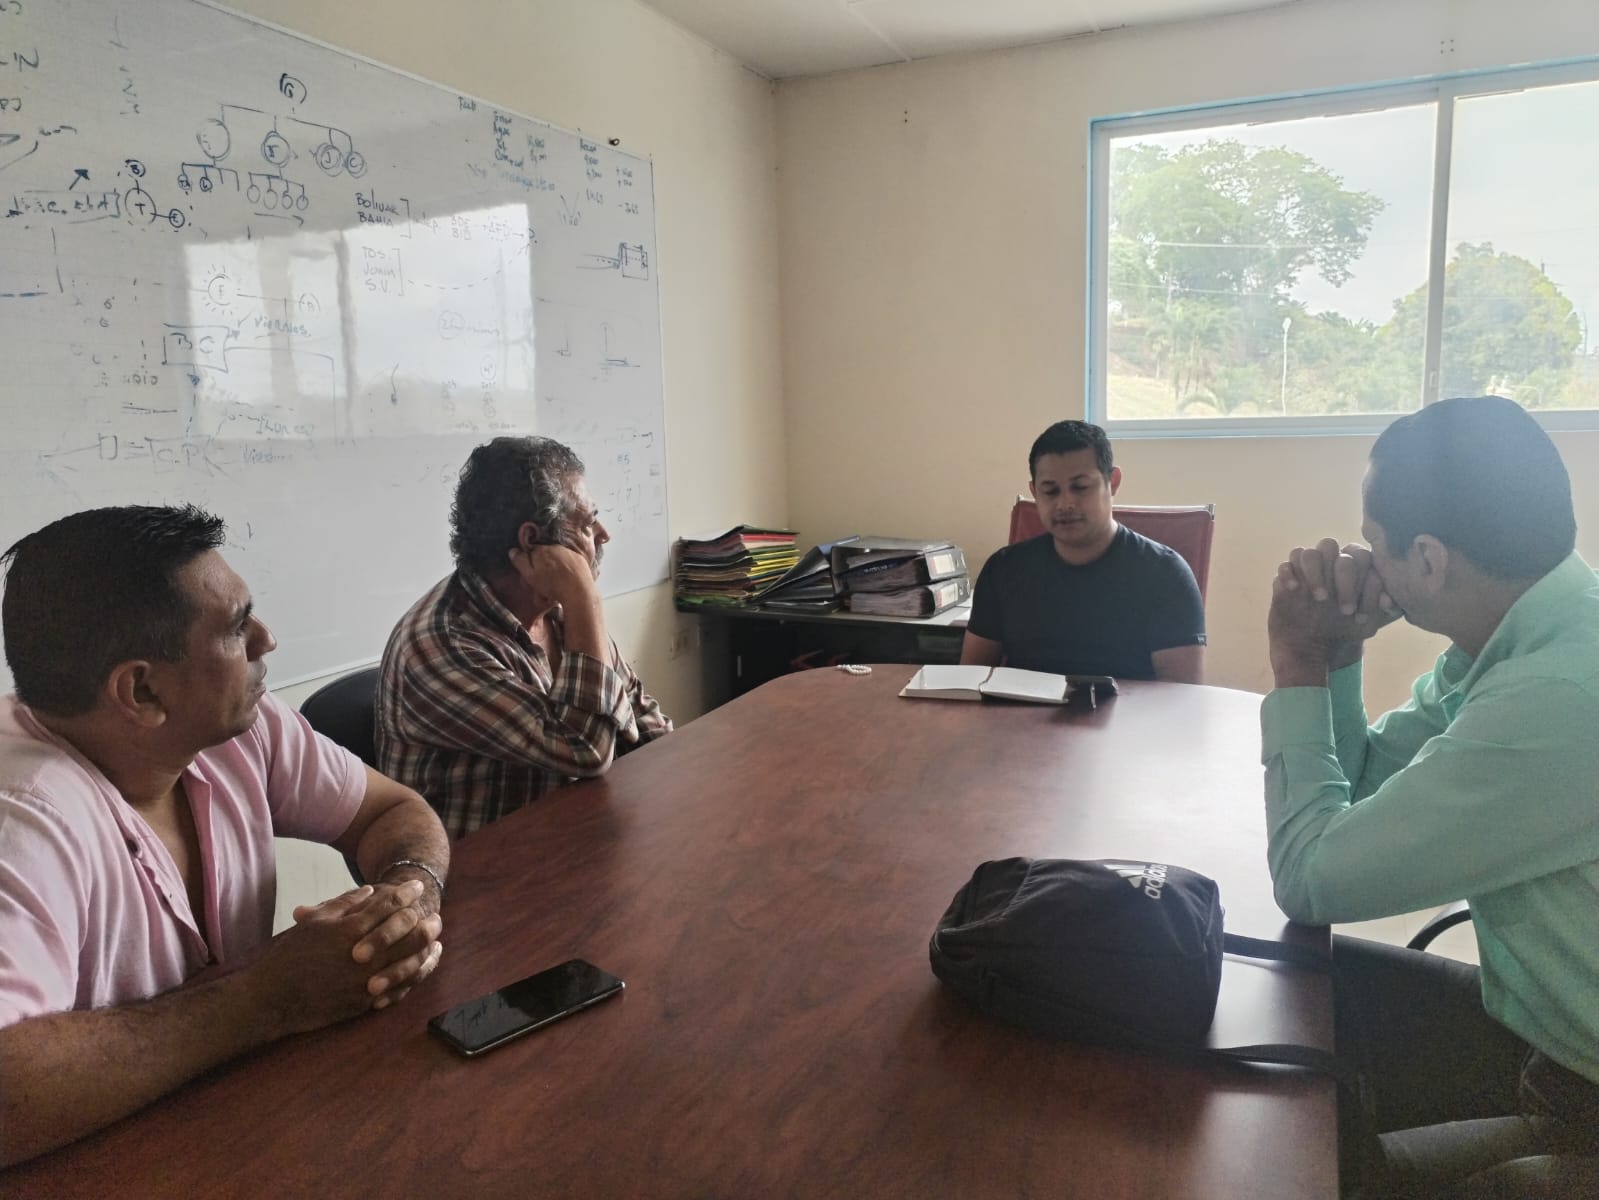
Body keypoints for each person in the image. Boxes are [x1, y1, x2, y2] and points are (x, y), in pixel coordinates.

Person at [0, 505, 450, 1167]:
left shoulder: (242, 725)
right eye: (238, 628)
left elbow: (393, 812)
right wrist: (269, 996)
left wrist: (407, 900)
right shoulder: (22, 817)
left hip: (242, 1131)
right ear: (142, 690)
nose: (266, 639)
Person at [1263, 396, 1599, 1198]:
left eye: (1373, 544)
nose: (1362, 561)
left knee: (1314, 1167)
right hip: (1546, 1041)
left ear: (1426, 557)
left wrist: (1297, 659)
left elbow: (1310, 880)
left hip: (1578, 1087)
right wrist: (1340, 651)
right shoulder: (1529, 636)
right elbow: (1364, 785)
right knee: (1285, 987)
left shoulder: (1555, 698)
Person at [378, 436, 671, 839]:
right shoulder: (442, 644)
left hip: (575, 833)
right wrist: (586, 598)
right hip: (487, 867)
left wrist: (685, 780)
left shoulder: (555, 610)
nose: (603, 534)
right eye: (587, 523)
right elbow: (585, 751)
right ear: (532, 540)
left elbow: (640, 713)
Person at [960, 419, 1206, 682]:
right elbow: (969, 680)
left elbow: (1182, 696)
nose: (1065, 504)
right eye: (1050, 491)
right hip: (1022, 708)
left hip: (1129, 709)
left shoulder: (1165, 574)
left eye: (1080, 487)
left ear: (1113, 482)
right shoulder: (1004, 570)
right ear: (1034, 492)